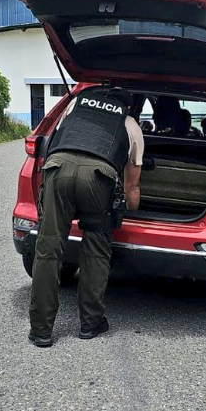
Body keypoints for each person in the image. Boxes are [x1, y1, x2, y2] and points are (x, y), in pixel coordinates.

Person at [28, 87, 144, 347]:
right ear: (129, 104)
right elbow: (132, 186)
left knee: (48, 249)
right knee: (95, 249)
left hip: (57, 168)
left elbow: (52, 140)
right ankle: (91, 324)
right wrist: (129, 211)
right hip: (98, 177)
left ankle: (41, 330)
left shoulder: (75, 105)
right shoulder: (131, 125)